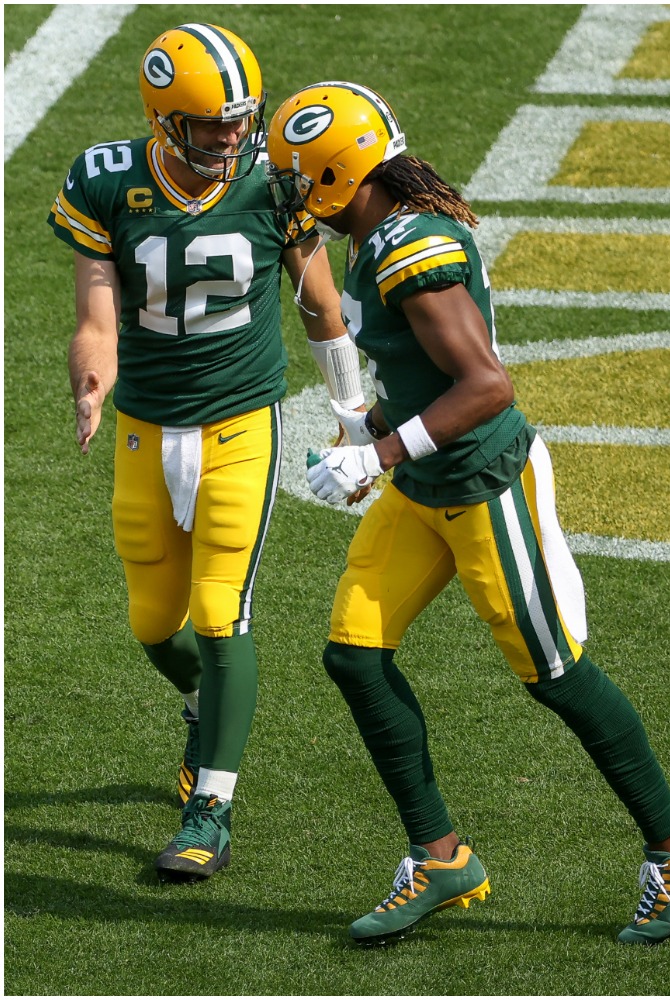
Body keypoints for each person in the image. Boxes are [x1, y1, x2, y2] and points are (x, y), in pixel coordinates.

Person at [264, 81, 670, 946]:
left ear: (338, 177)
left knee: (556, 676)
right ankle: (440, 856)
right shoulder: (378, 235)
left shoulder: (411, 245)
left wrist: (378, 453)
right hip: (423, 484)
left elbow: (486, 387)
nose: (293, 196)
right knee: (354, 655)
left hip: (482, 482)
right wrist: (365, 434)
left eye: (301, 179)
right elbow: (420, 378)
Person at [51, 22, 357, 882]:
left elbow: (319, 303)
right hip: (144, 426)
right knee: (155, 625)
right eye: (214, 124)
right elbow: (96, 318)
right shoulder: (107, 181)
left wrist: (352, 412)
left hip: (238, 426)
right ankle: (204, 712)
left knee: (223, 612)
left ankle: (211, 805)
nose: (233, 137)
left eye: (241, 120)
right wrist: (92, 379)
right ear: (164, 118)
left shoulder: (270, 182)